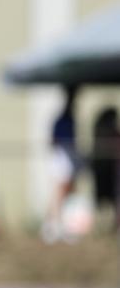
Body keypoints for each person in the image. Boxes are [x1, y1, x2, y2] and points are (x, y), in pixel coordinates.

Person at [42, 86, 83, 243]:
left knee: (68, 191)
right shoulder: (62, 119)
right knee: (60, 192)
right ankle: (52, 225)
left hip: (68, 156)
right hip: (62, 157)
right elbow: (53, 140)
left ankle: (64, 225)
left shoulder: (70, 119)